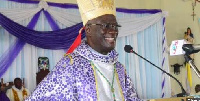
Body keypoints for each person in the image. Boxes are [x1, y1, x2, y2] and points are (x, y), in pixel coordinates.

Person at [25, 0, 143, 100]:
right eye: (105, 26)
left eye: (114, 26)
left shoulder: (119, 69)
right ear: (88, 30)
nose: (112, 31)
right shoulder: (70, 65)